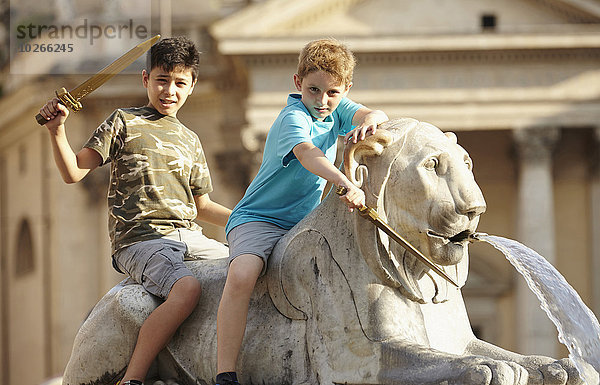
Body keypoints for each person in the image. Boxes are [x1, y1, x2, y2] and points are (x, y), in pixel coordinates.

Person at [38, 36, 231, 385]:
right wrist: (57, 130)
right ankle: (134, 378)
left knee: (244, 267)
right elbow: (73, 172)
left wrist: (249, 222)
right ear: (146, 79)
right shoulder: (123, 122)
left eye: (179, 83)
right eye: (161, 80)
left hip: (189, 237)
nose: (169, 90)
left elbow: (201, 205)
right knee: (186, 289)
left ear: (192, 85)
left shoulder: (191, 139)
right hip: (141, 240)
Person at [215, 38, 389, 385]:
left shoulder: (336, 107)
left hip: (304, 223)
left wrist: (371, 121)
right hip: (260, 219)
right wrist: (345, 183)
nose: (322, 101)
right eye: (313, 90)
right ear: (298, 83)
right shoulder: (292, 117)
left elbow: (374, 114)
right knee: (243, 274)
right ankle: (225, 372)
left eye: (332, 93)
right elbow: (309, 155)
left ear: (345, 89)